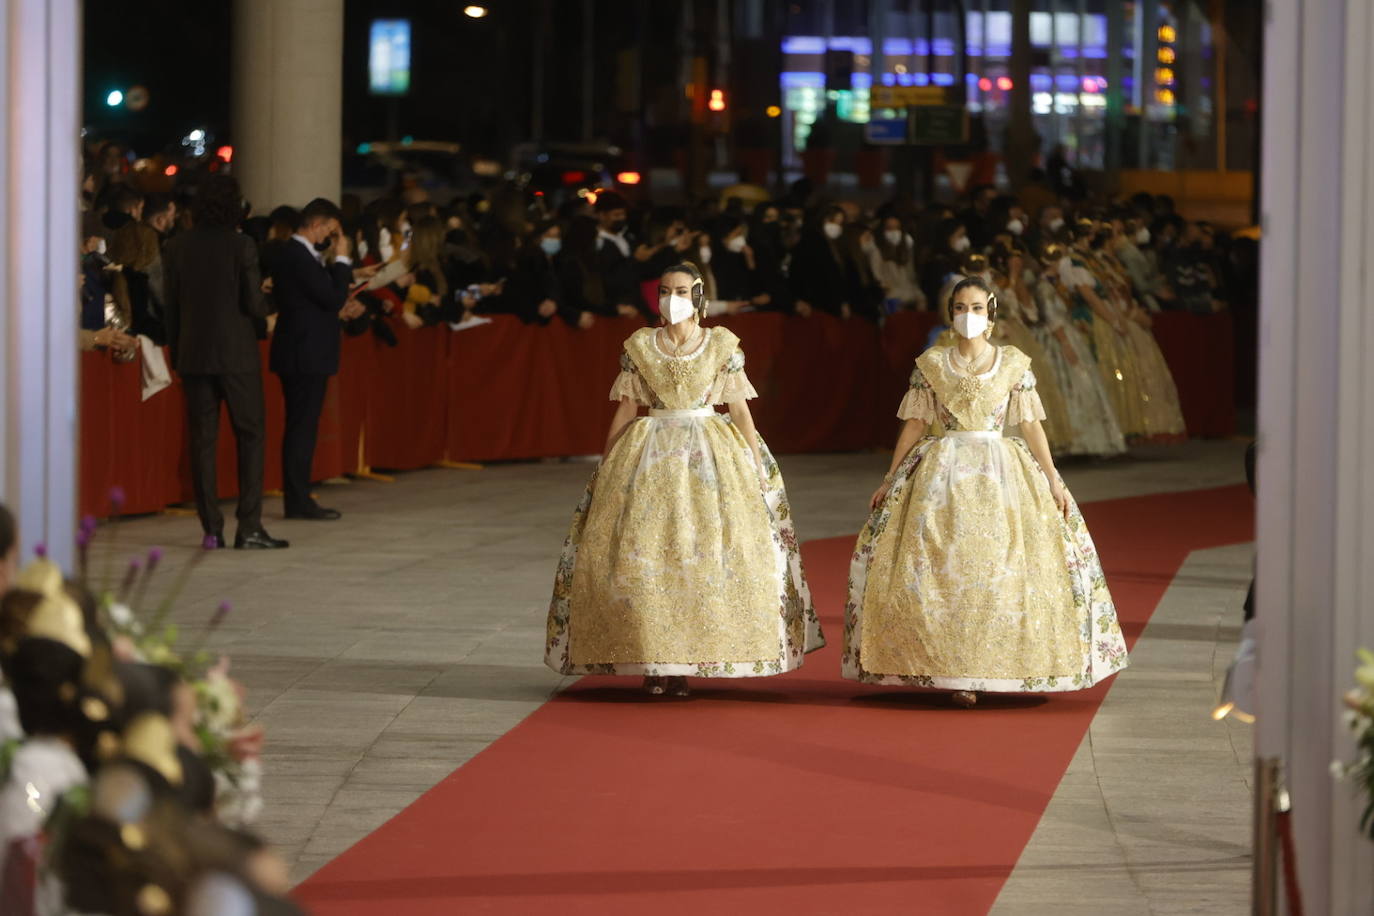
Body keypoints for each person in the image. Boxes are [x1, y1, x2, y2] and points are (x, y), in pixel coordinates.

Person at [843, 276, 1128, 705]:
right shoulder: (932, 365)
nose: (968, 316)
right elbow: (916, 423)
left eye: (976, 308)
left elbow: (1030, 424)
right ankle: (948, 667)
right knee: (941, 566)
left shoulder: (1014, 363)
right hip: (943, 473)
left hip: (1002, 471)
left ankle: (997, 666)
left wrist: (1052, 478)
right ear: (950, 313)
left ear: (990, 315)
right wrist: (889, 479)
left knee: (1003, 565)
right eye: (960, 307)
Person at [545, 262, 824, 695]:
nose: (671, 299)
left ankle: (693, 657)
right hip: (649, 451)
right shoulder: (639, 345)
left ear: (699, 297)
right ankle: (656, 663)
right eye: (664, 291)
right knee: (645, 557)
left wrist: (753, 464)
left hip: (710, 452)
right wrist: (606, 463)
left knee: (706, 555)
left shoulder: (722, 345)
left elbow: (739, 409)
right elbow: (625, 407)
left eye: (681, 291)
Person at [163, 175, 285, 550]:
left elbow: (172, 308)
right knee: (251, 435)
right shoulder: (242, 245)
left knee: (203, 441)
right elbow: (252, 303)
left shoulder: (176, 246)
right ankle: (248, 526)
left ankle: (211, 529)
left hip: (194, 355)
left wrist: (178, 354)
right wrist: (272, 303)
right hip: (236, 354)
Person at [269, 198, 364, 522]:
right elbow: (331, 298)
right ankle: (298, 500)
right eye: (332, 231)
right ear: (318, 225)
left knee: (303, 427)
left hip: (303, 350)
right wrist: (341, 258)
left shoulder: (300, 255)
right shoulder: (296, 254)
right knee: (302, 427)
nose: (332, 238)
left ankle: (299, 496)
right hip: (303, 353)